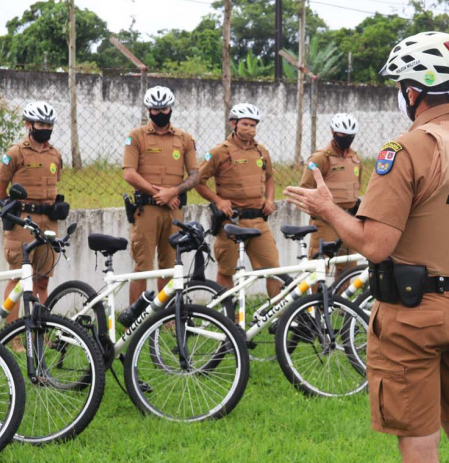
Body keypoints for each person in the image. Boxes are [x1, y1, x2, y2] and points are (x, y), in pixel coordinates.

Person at [285, 32, 449, 463]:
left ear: (413, 92)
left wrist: (327, 211)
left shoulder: (406, 148)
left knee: (420, 444)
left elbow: (375, 243)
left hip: (411, 316)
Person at [123, 86, 199, 304]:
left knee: (170, 266)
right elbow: (129, 173)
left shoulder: (184, 139)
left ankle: (166, 317)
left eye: (164, 109)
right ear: (148, 110)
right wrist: (160, 193)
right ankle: (134, 319)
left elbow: (195, 176)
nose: (160, 113)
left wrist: (174, 191)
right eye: (155, 110)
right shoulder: (136, 137)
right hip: (146, 210)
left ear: (171, 108)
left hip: (174, 210)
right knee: (142, 267)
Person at [196, 103, 281, 297]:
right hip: (231, 222)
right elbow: (198, 181)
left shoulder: (261, 151)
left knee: (274, 270)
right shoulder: (220, 152)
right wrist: (218, 201)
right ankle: (228, 318)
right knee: (226, 271)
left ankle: (279, 318)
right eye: (245, 124)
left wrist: (270, 199)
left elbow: (269, 177)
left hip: (258, 220)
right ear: (233, 124)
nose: (250, 129)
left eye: (253, 125)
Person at [0, 101, 65, 320]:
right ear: (28, 124)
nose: (45, 128)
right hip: (22, 222)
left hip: (49, 222)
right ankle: (12, 335)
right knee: (18, 278)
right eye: (40, 123)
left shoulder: (56, 154)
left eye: (48, 124)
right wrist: (12, 212)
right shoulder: (15, 153)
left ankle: (40, 329)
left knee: (42, 279)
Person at [298, 113, 362, 272]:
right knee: (318, 268)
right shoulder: (320, 159)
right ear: (333, 132)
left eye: (350, 136)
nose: (346, 138)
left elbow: (357, 185)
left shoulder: (355, 158)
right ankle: (316, 298)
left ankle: (341, 297)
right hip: (325, 222)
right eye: (342, 135)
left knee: (347, 267)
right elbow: (305, 189)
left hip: (349, 220)